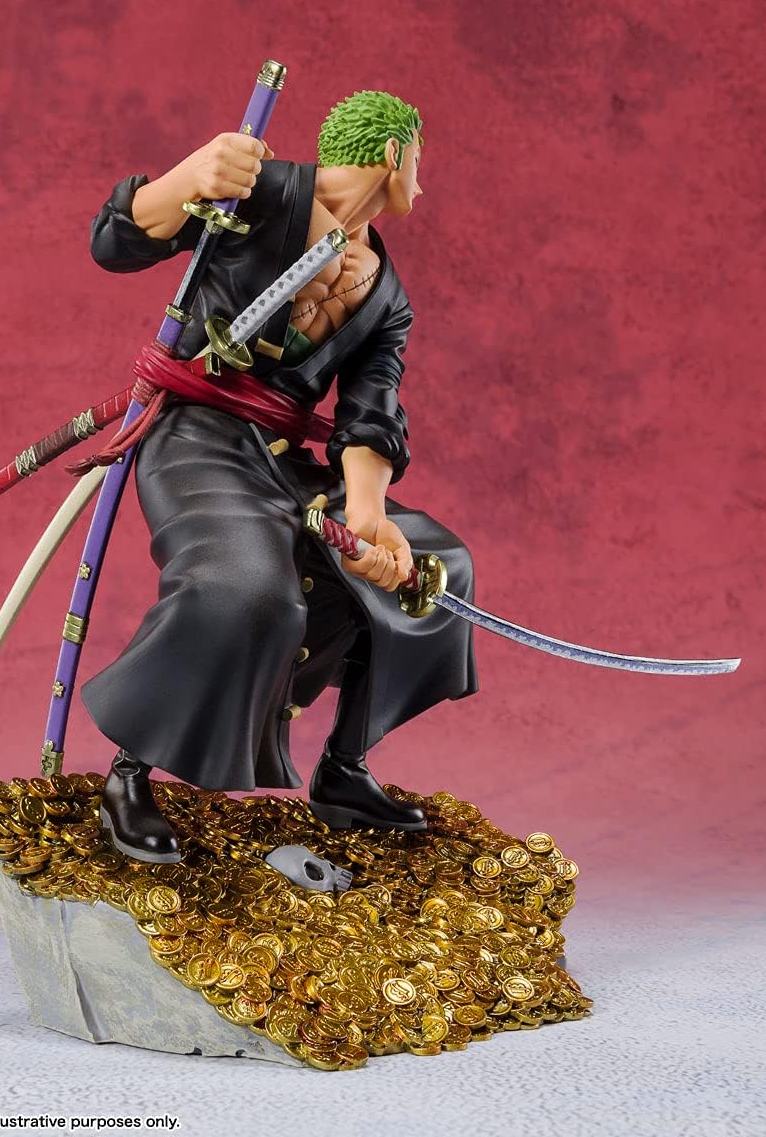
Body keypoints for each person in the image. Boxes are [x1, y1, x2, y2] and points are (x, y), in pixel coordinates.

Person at [81, 91, 478, 862]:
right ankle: (131, 771)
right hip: (194, 437)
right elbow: (112, 244)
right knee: (245, 585)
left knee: (438, 568)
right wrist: (184, 180)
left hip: (282, 459)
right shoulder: (256, 191)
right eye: (419, 162)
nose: (421, 182)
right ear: (393, 155)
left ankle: (344, 768)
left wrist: (368, 511)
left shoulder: (386, 296)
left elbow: (370, 412)